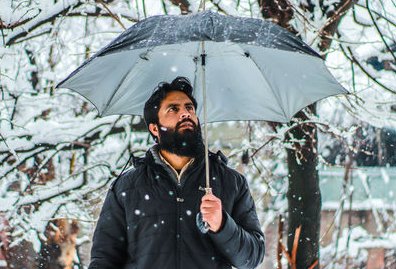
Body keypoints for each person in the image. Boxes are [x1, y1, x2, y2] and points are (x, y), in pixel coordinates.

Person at [89, 77, 265, 269]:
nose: (185, 114)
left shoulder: (231, 182)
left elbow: (251, 258)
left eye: (190, 108)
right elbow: (104, 260)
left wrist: (222, 225)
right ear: (155, 128)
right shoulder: (127, 187)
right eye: (173, 109)